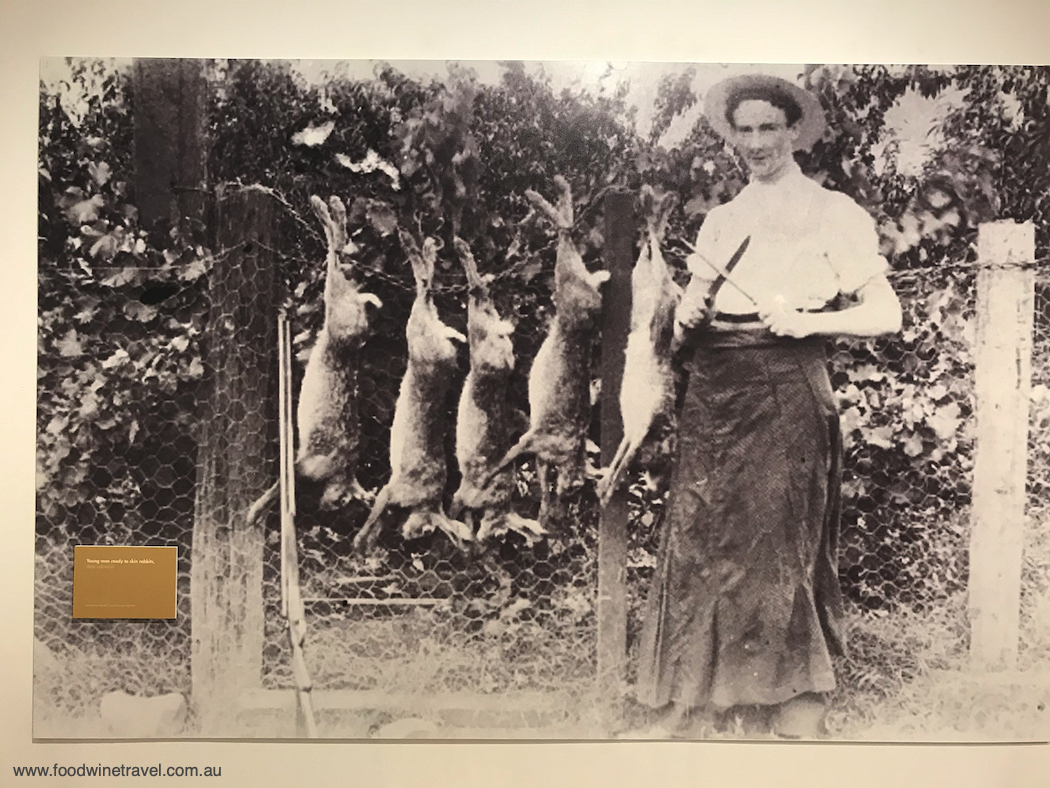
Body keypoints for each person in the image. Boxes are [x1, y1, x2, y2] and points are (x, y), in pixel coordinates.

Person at [632, 74, 902, 739]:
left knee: (778, 539)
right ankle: (690, 702)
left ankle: (792, 699)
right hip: (716, 393)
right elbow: (685, 330)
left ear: (793, 131)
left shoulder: (833, 213)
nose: (755, 143)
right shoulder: (722, 221)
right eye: (743, 131)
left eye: (767, 129)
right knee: (698, 538)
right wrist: (686, 315)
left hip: (787, 385)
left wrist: (808, 320)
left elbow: (886, 314)